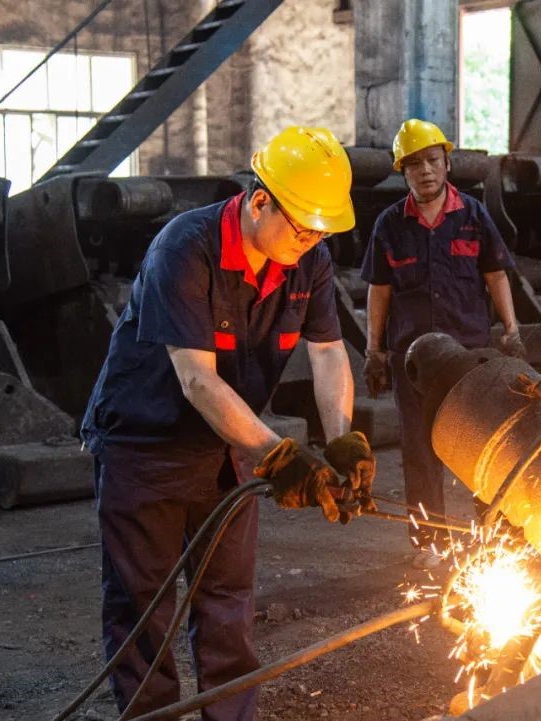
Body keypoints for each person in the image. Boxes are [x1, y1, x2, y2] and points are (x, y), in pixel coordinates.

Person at [80, 126, 376, 720]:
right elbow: (197, 380)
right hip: (146, 445)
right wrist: (279, 454)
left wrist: (341, 437)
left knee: (228, 604)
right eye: (304, 228)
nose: (312, 242)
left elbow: (327, 352)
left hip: (228, 447)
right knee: (143, 609)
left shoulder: (309, 259)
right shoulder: (185, 249)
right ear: (260, 201)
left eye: (322, 231)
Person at [360, 119, 525, 569]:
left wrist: (511, 329)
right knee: (420, 451)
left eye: (433, 160)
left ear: (447, 163)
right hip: (412, 361)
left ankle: (495, 539)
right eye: (414, 164)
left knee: (484, 444)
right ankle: (430, 545)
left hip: (469, 357)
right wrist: (374, 350)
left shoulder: (473, 216)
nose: (426, 170)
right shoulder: (390, 225)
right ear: (403, 172)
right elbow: (379, 290)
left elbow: (495, 274)